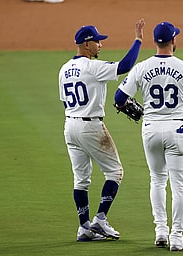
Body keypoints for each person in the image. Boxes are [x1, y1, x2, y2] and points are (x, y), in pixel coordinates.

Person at [114, 22, 183, 251]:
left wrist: (130, 104)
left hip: (150, 129)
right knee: (179, 185)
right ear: (173, 41)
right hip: (178, 130)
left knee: (157, 180)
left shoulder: (142, 67)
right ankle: (176, 237)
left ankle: (160, 231)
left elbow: (119, 98)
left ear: (155, 42)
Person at [58, 18, 145, 242]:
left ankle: (84, 227)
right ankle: (100, 219)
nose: (100, 45)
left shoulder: (64, 69)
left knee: (81, 180)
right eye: (97, 41)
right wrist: (137, 40)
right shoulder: (93, 67)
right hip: (90, 126)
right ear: (87, 44)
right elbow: (125, 66)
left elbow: (63, 101)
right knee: (115, 172)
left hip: (70, 125)